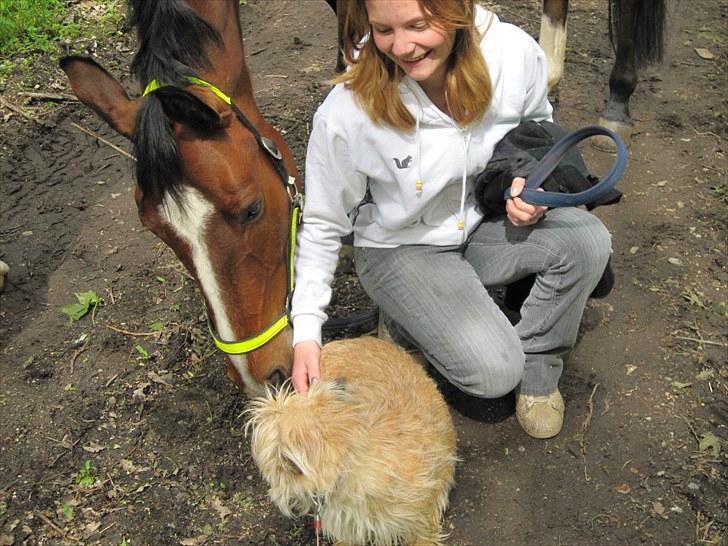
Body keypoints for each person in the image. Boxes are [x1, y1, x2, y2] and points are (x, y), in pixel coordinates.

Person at [290, 0, 611, 439]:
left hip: (481, 223)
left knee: (587, 241)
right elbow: (324, 222)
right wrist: (306, 330)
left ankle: (539, 369)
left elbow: (538, 132)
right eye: (383, 30)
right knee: (495, 374)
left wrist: (528, 182)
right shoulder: (347, 109)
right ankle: (406, 321)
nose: (401, 47)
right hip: (402, 247)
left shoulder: (513, 55)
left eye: (419, 25)